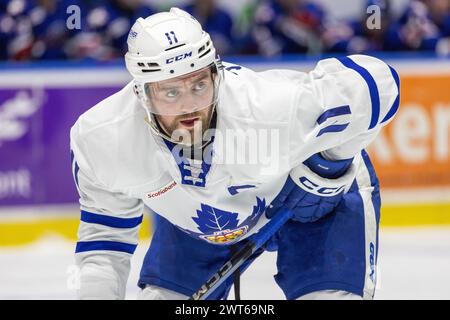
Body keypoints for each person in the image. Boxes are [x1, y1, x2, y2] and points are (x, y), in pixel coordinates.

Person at [70, 8, 400, 300]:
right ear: (142, 93)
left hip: (315, 209)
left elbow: (379, 85)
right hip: (197, 220)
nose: (189, 106)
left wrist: (329, 161)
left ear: (216, 74)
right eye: (170, 92)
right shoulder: (103, 139)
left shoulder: (266, 106)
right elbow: (104, 240)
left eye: (199, 85)